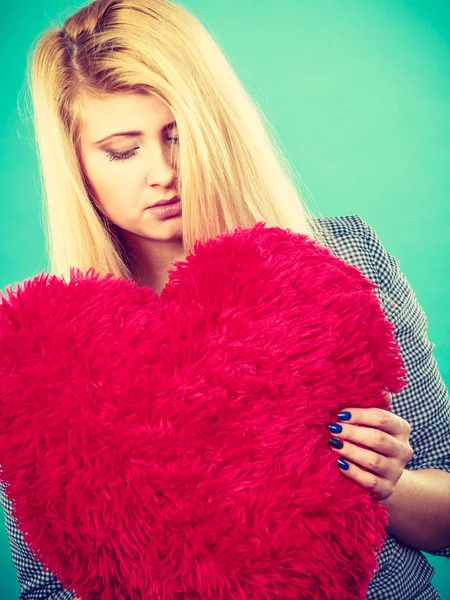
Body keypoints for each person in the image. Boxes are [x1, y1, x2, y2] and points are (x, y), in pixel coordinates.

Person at [1, 0, 449, 598]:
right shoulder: (41, 347)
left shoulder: (345, 261)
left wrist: (385, 485)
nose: (162, 172)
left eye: (178, 135)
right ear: (77, 162)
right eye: (122, 150)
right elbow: (46, 580)